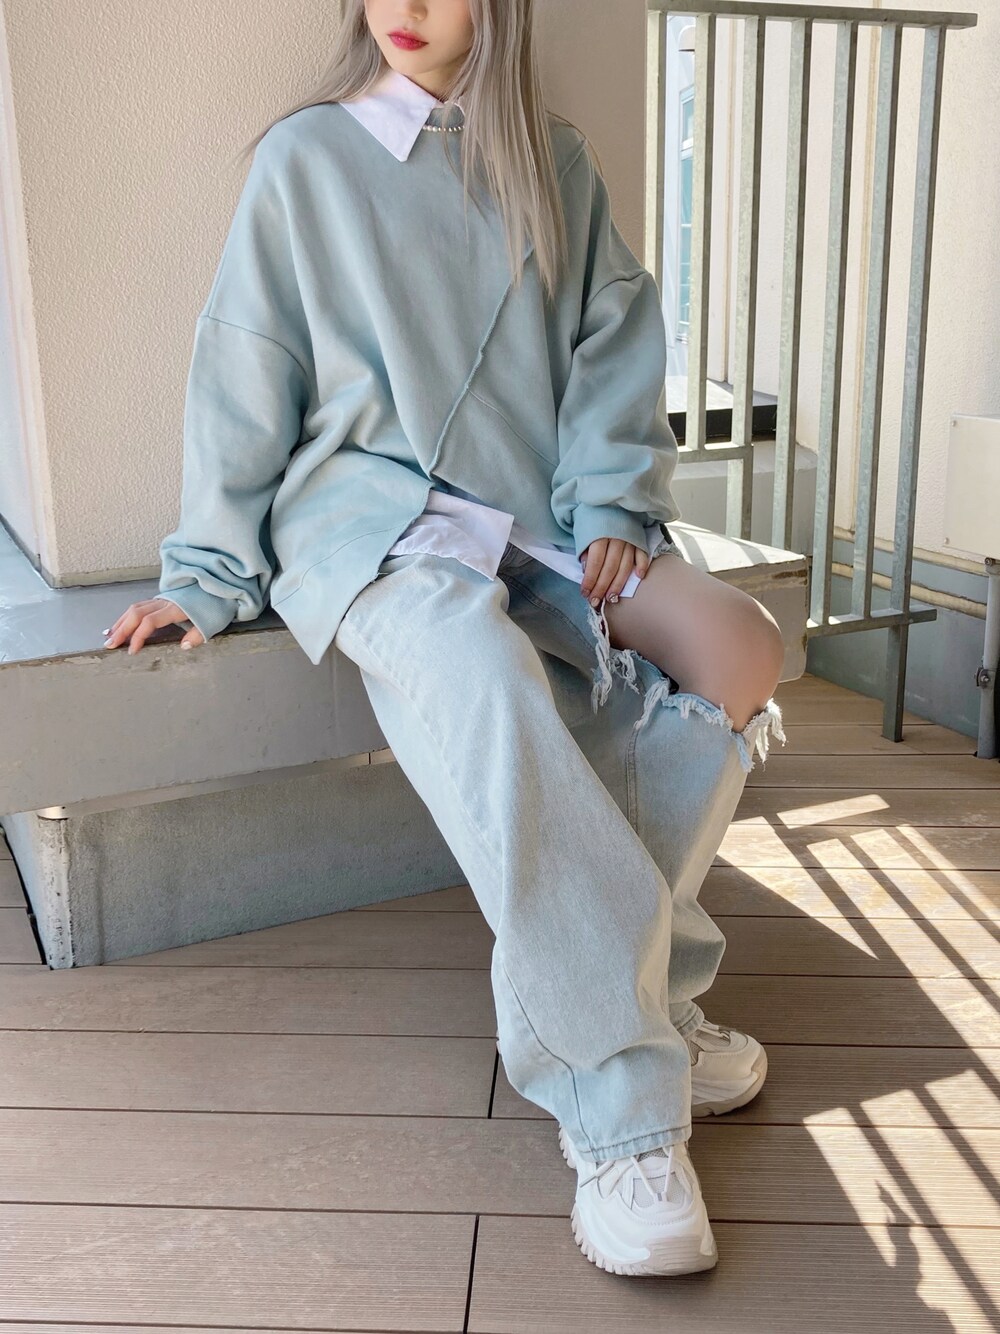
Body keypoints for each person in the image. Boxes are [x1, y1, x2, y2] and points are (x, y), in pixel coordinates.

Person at [103, 0, 787, 1278]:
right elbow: (245, 369)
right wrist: (208, 575)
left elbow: (611, 339)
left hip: (537, 518)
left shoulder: (549, 159)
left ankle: (638, 990)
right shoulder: (306, 157)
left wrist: (613, 502)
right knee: (481, 671)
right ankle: (622, 1105)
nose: (409, 8)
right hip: (373, 525)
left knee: (739, 650)